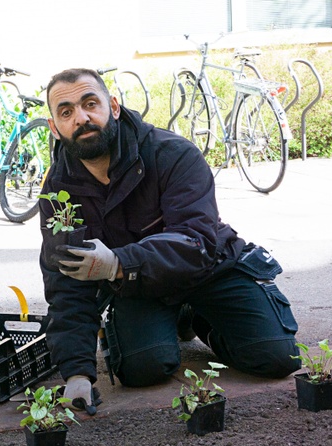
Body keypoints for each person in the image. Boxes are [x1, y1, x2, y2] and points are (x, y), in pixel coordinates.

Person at [40, 68, 300, 413]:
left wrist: (119, 263)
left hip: (211, 269)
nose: (82, 118)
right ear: (54, 127)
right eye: (67, 112)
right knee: (142, 367)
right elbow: (65, 279)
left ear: (114, 107)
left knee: (277, 357)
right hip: (139, 286)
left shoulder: (172, 154)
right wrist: (76, 374)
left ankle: (200, 318)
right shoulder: (58, 190)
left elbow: (197, 242)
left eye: (91, 104)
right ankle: (176, 319)